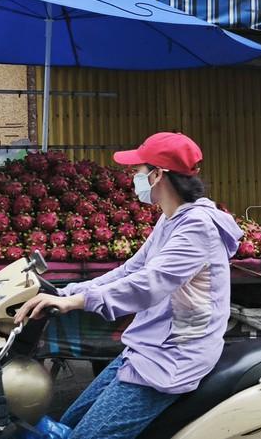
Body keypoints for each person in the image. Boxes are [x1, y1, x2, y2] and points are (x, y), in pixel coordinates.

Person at [14, 132, 243, 439]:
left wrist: (78, 302)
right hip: (146, 348)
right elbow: (131, 269)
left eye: (138, 170)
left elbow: (150, 283)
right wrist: (65, 292)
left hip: (173, 357)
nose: (133, 176)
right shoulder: (170, 219)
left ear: (157, 174)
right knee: (67, 422)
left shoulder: (197, 226)